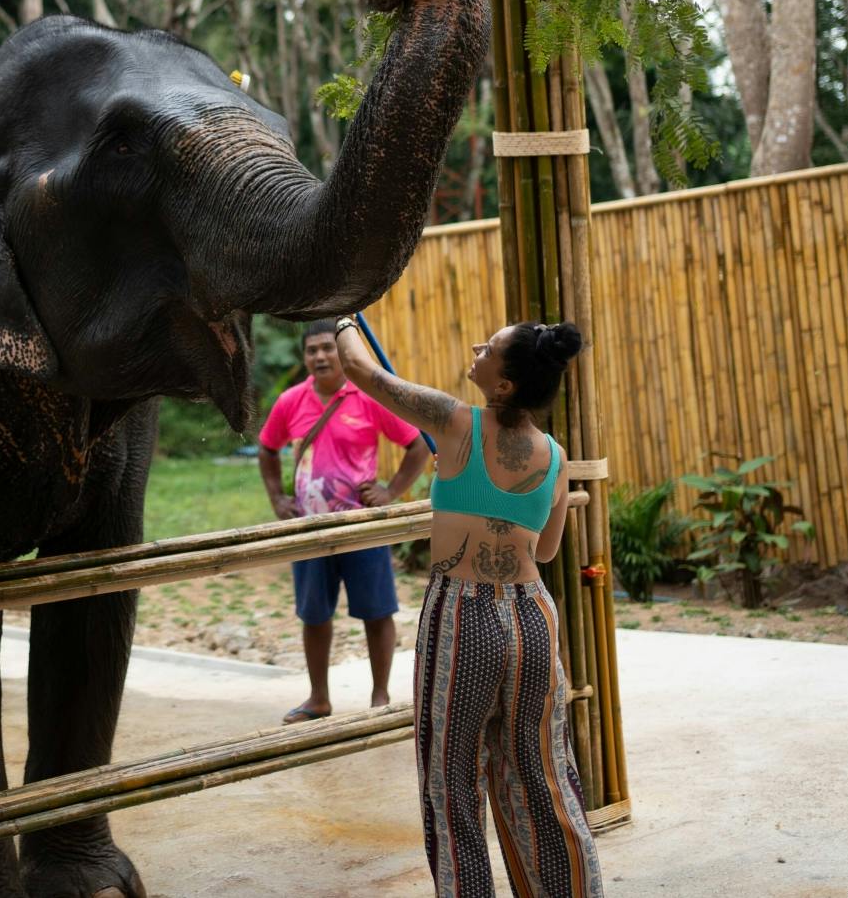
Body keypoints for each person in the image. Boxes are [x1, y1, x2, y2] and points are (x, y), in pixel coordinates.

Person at [335, 316, 604, 898]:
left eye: (491, 348)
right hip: (532, 615)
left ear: (503, 385)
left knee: (451, 784)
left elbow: (359, 368)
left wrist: (343, 315)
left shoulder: (454, 421)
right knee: (542, 774)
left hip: (464, 615)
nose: (478, 350)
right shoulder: (555, 457)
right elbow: (549, 547)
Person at [257, 318, 433, 723]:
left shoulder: (369, 397)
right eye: (311, 350)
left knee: (377, 612)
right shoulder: (290, 402)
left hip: (361, 528)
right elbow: (267, 450)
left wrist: (391, 492)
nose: (319, 356)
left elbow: (417, 444)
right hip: (310, 530)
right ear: (304, 358)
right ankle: (318, 699)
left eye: (327, 348)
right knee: (314, 614)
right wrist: (277, 498)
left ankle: (380, 699)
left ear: (342, 352)